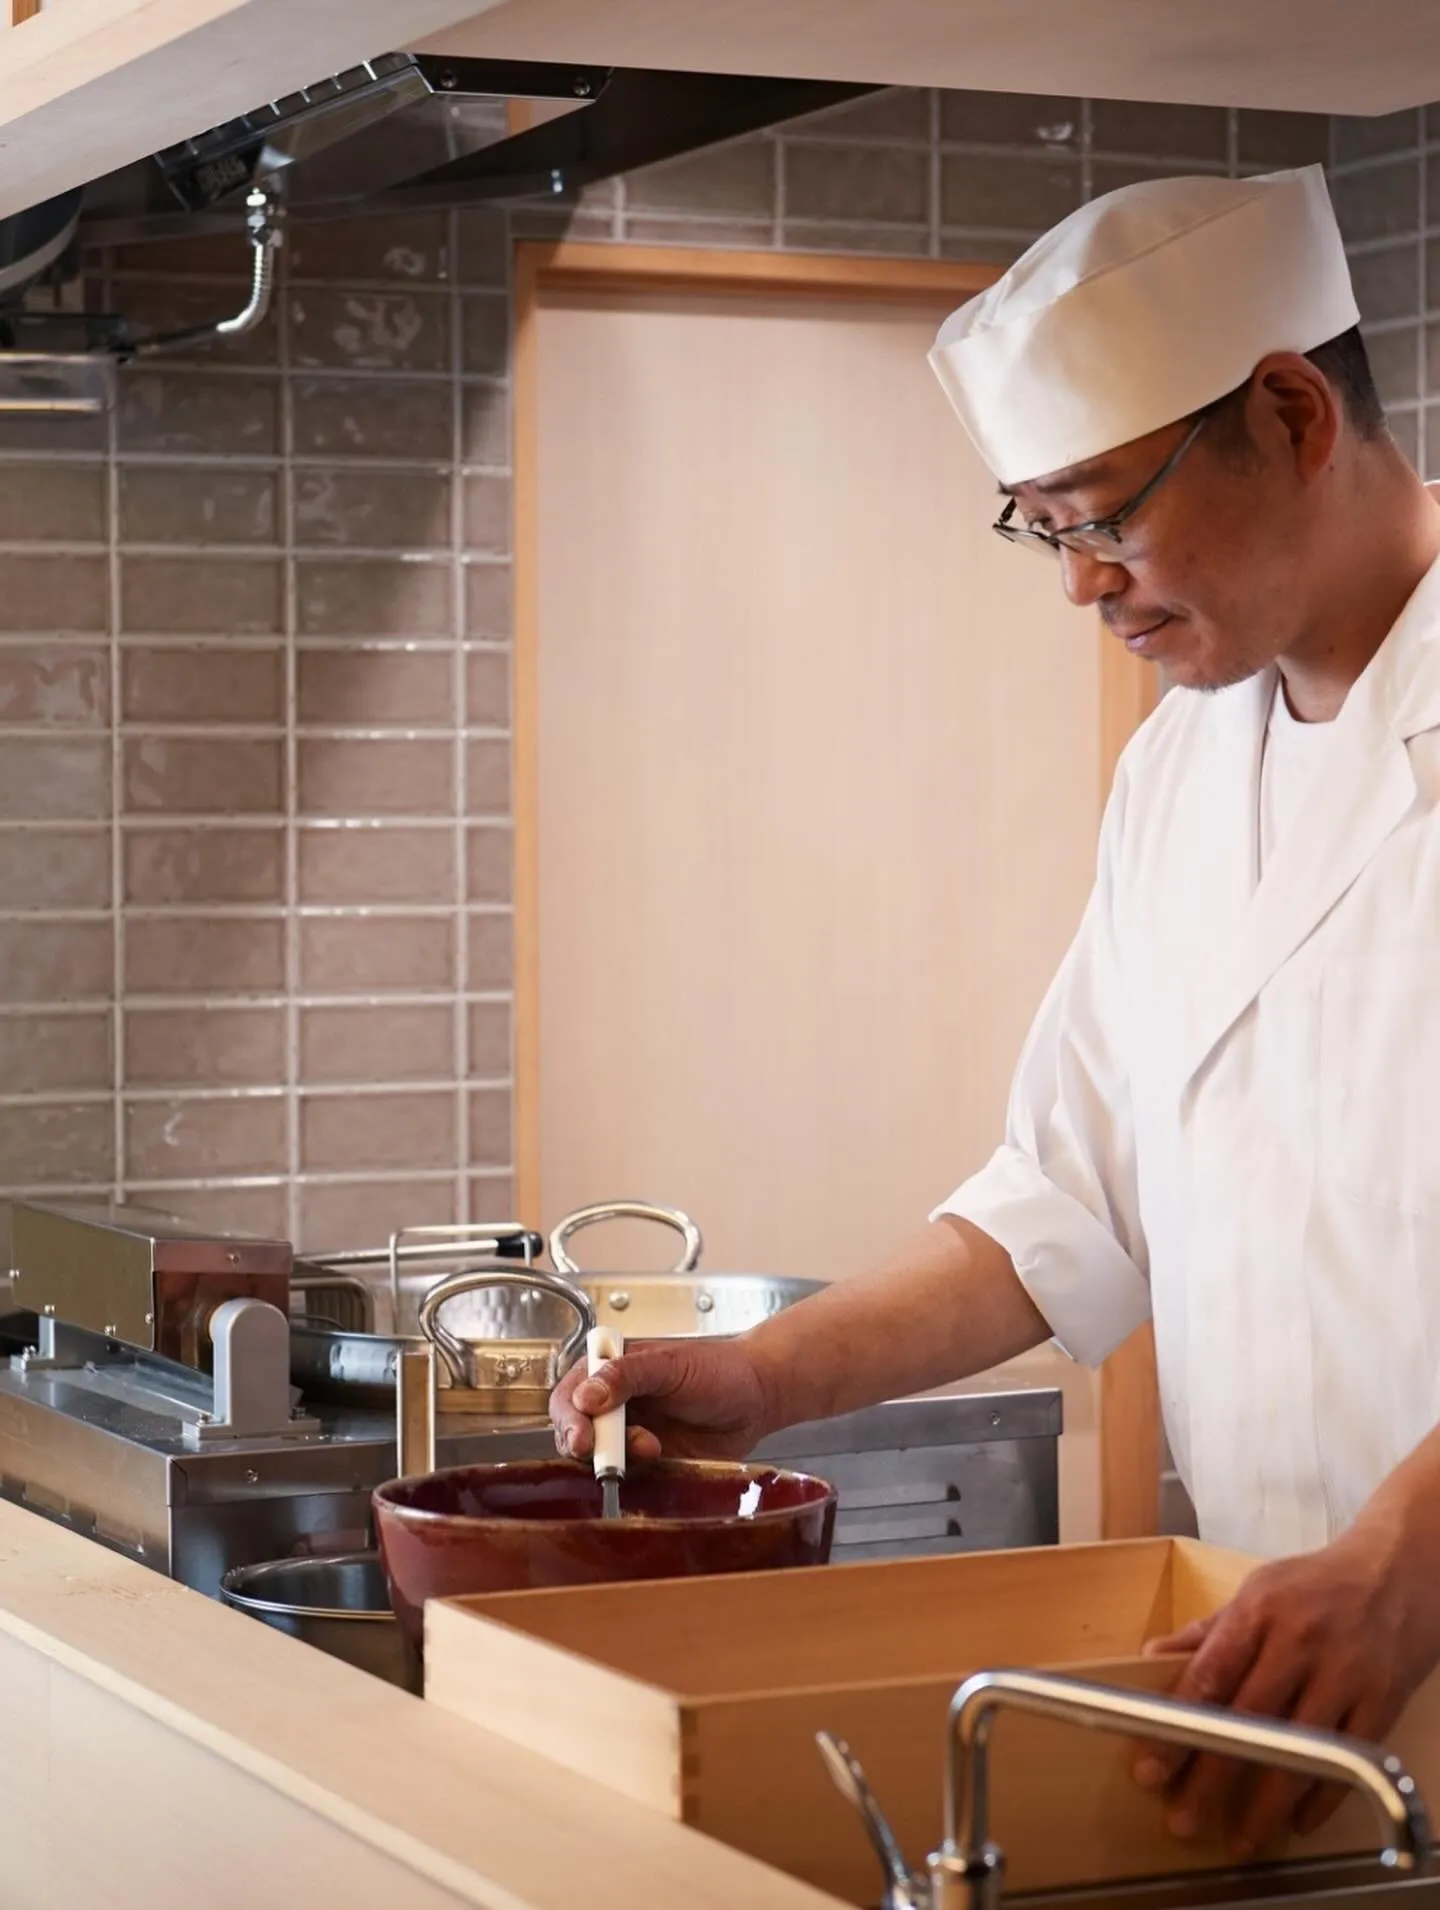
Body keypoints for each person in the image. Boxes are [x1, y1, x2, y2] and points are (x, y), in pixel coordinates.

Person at [549, 163, 1440, 1859]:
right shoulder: (1181, 773)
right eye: (1044, 527)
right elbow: (1061, 1205)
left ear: (1292, 411)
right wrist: (761, 1374)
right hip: (1281, 1683)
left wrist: (1407, 1562)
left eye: (1106, 515)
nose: (1081, 586)